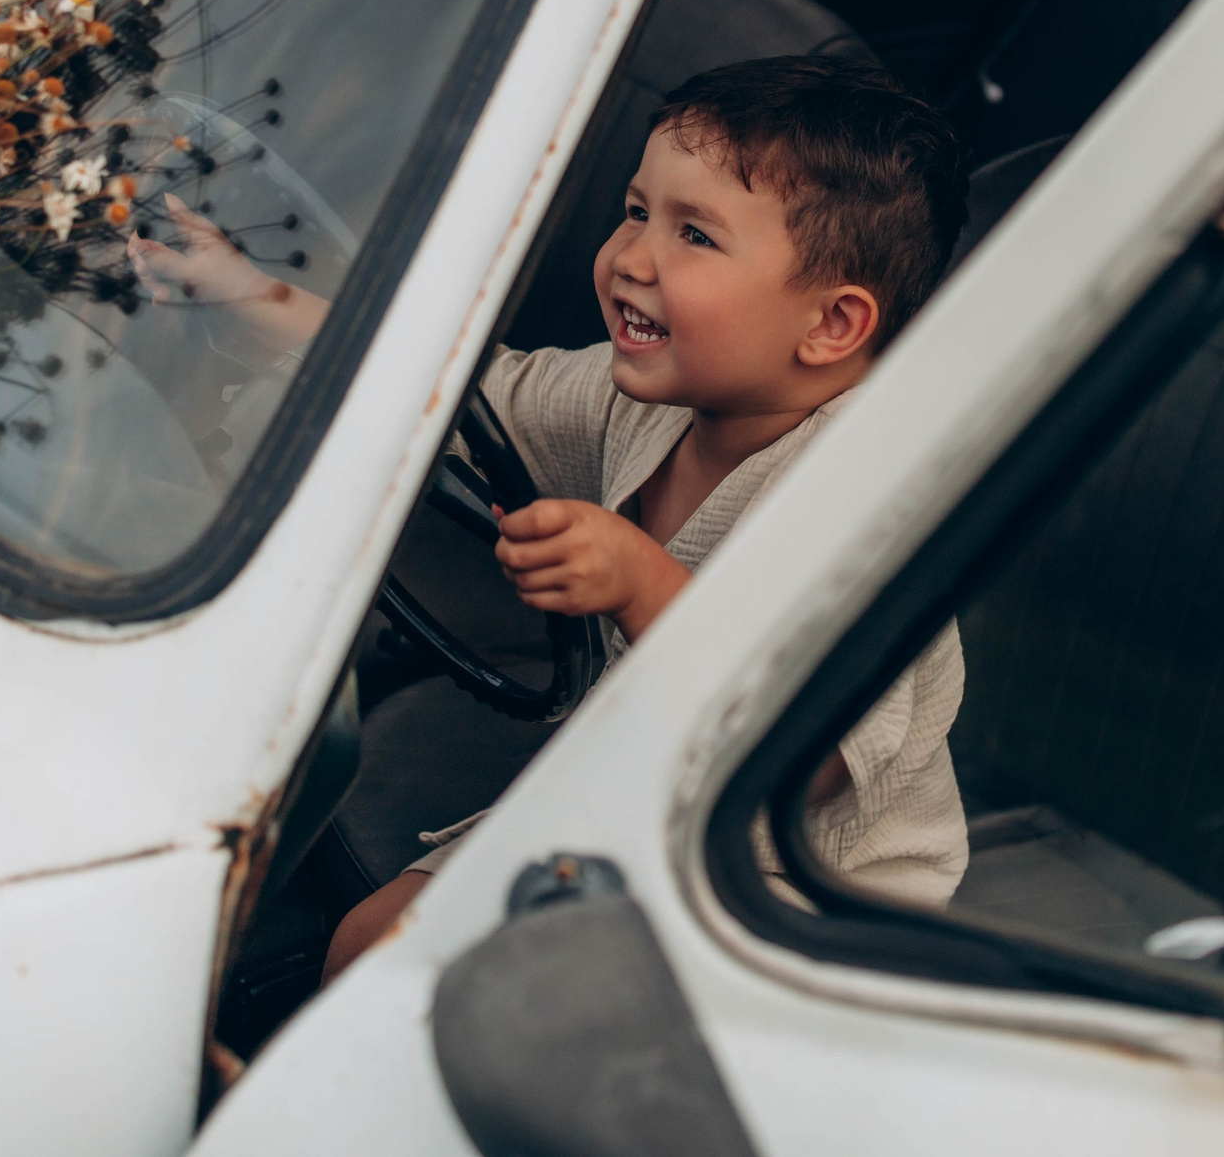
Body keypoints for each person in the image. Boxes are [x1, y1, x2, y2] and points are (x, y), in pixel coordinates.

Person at [131, 55, 973, 980]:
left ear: (831, 326)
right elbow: (460, 394)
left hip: (798, 896)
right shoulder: (653, 401)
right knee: (370, 949)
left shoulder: (877, 506)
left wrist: (642, 583)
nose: (631, 257)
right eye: (637, 209)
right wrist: (255, 296)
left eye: (695, 235)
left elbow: (793, 760)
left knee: (410, 977)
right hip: (634, 788)